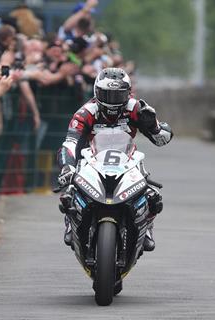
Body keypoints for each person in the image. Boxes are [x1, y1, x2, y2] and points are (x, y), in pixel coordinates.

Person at [56, 67, 173, 252]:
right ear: (96, 92)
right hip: (91, 159)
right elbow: (69, 143)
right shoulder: (85, 112)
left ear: (128, 93)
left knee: (153, 196)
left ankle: (147, 227)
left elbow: (163, 140)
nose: (112, 101)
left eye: (117, 95)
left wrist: (154, 126)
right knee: (69, 192)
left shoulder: (136, 108)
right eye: (107, 94)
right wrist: (67, 168)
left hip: (128, 159)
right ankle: (71, 222)